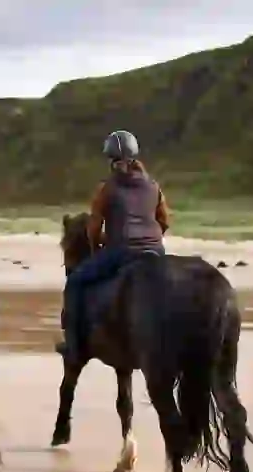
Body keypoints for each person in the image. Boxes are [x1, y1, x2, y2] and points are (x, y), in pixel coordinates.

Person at [57, 130, 170, 359]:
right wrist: (152, 240)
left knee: (76, 282)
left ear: (111, 160)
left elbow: (94, 229)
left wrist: (95, 247)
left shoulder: (106, 188)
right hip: (156, 252)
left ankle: (74, 344)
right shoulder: (154, 186)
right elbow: (164, 222)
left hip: (123, 251)